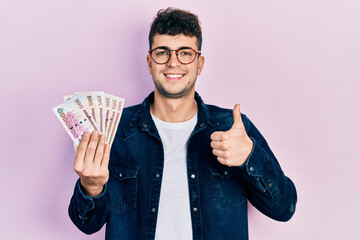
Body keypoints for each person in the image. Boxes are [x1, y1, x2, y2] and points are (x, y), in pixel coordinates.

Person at [68, 8, 297, 240]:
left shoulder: (233, 129)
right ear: (149, 62)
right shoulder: (114, 130)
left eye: (185, 53)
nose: (173, 62)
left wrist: (250, 156)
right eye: (162, 52)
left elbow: (284, 208)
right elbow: (87, 225)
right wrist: (91, 186)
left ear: (199, 63)